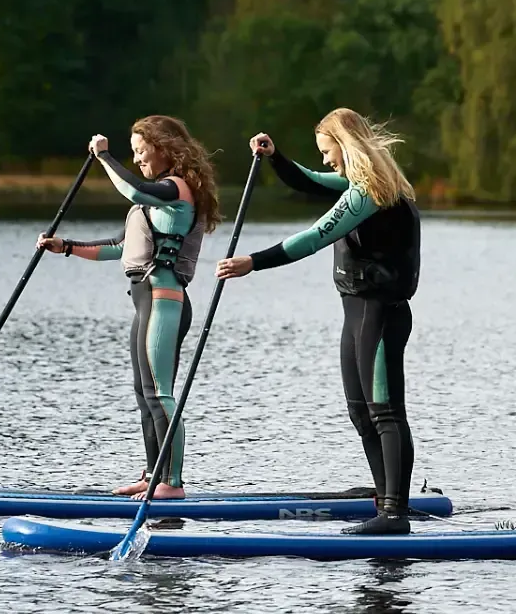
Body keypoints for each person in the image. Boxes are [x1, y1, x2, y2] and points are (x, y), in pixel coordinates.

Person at [216, 108, 421, 535]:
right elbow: (308, 180)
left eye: (328, 150)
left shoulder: (370, 192)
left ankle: (395, 514)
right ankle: (384, 502)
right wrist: (275, 158)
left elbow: (312, 237)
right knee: (360, 414)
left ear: (346, 145)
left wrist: (252, 262)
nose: (326, 159)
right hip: (357, 312)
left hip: (380, 315)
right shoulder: (357, 184)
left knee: (385, 413)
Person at [40, 116, 221, 498]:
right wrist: (67, 246)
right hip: (145, 299)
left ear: (165, 149)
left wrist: (104, 157)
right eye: (133, 153)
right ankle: (153, 474)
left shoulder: (175, 190)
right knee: (144, 393)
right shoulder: (155, 201)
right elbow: (122, 248)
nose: (137, 160)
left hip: (164, 300)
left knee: (160, 393)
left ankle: (172, 484)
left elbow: (134, 189)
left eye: (141, 151)